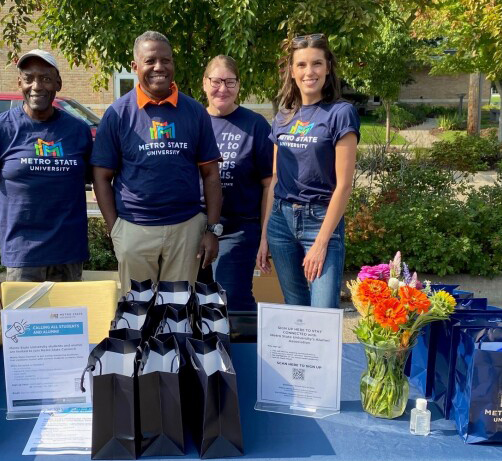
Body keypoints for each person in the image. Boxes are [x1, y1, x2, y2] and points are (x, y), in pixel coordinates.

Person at [91, 31, 222, 294]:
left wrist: (211, 229)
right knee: (138, 312)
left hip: (185, 229)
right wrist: (116, 229)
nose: (159, 67)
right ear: (135, 66)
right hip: (134, 229)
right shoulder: (117, 114)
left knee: (178, 311)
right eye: (150, 61)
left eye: (166, 60)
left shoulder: (195, 112)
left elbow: (210, 174)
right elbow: (101, 176)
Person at [257, 34, 359, 308]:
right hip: (281, 220)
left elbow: (344, 186)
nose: (309, 72)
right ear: (292, 71)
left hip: (321, 220)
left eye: (316, 63)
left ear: (328, 67)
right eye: (301, 65)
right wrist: (265, 234)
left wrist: (321, 243)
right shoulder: (284, 115)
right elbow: (276, 178)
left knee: (323, 311)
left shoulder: (341, 113)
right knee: (295, 307)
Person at [0, 49, 93, 282]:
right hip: (23, 253)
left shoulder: (78, 131)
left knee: (66, 317)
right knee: (24, 319)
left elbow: (93, 178)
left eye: (46, 78)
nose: (37, 86)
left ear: (58, 83)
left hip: (68, 251)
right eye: (29, 78)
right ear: (19, 82)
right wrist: (12, 221)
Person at [200, 55, 273, 311]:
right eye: (217, 81)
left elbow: (269, 184)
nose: (223, 89)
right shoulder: (193, 120)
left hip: (238, 229)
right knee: (193, 304)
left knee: (231, 302)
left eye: (230, 82)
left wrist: (265, 235)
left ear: (239, 86)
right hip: (193, 228)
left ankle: (241, 351)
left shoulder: (255, 125)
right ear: (204, 84)